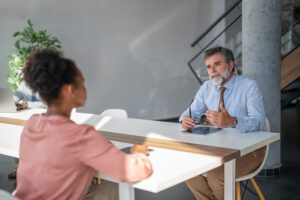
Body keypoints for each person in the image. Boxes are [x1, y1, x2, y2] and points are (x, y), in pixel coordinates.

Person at [12, 49, 153, 200]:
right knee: (111, 186)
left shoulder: (32, 124)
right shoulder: (81, 136)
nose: (85, 88)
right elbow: (135, 171)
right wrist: (139, 153)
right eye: (82, 83)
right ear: (70, 90)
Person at [180, 46, 266, 200]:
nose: (212, 70)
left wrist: (232, 121)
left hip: (250, 150)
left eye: (217, 64)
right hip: (218, 147)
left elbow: (258, 122)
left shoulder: (249, 86)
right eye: (208, 66)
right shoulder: (206, 87)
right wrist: (185, 120)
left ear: (231, 65)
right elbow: (189, 113)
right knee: (187, 168)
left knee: (216, 176)